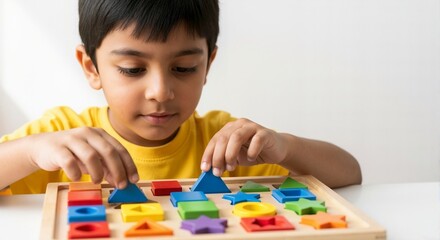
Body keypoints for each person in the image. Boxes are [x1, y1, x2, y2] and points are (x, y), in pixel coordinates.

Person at [0, 0, 362, 194]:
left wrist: (286, 147)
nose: (160, 92)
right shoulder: (62, 138)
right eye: (132, 69)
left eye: (184, 68)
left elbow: (350, 174)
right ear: (91, 67)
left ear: (208, 65)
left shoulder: (224, 142)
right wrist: (32, 151)